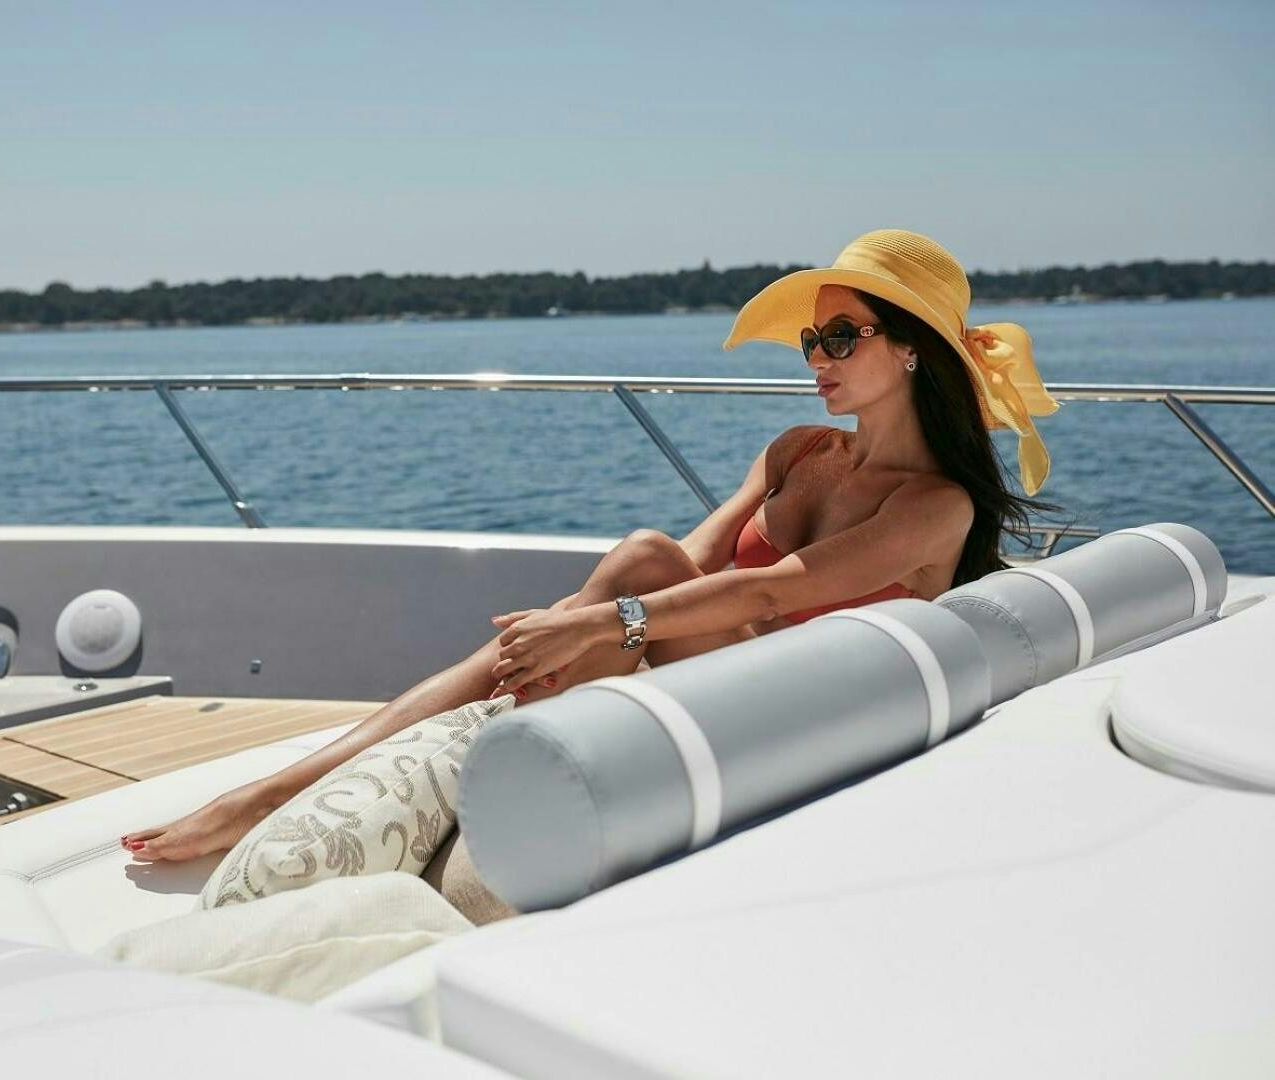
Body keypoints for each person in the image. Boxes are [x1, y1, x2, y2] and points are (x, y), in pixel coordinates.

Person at [123, 228, 1058, 863]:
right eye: (813, 338)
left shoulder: (938, 507)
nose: (817, 358)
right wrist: (588, 623)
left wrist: (611, 617)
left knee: (630, 576)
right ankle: (297, 784)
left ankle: (292, 796)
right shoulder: (796, 453)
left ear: (914, 351)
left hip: (813, 730)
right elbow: (691, 571)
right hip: (721, 688)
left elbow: (774, 593)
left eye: (842, 336)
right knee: (622, 580)